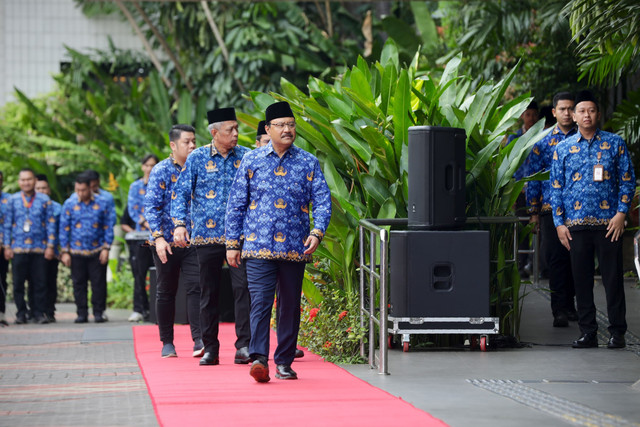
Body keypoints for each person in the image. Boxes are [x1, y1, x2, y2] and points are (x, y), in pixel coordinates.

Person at [226, 101, 331, 382]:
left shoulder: (308, 161)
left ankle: (284, 361)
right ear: (268, 129)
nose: (287, 129)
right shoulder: (251, 160)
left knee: (289, 305)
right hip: (258, 246)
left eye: (291, 124)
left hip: (295, 247)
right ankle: (259, 358)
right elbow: (236, 204)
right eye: (281, 125)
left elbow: (322, 200)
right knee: (260, 301)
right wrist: (232, 244)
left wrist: (317, 231)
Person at [550, 90, 635, 349]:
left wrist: (621, 214)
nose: (587, 115)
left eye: (592, 110)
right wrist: (559, 224)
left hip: (608, 225)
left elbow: (628, 181)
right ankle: (588, 332)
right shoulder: (562, 149)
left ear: (598, 114)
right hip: (575, 226)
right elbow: (555, 187)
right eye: (582, 111)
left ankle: (617, 332)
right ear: (574, 116)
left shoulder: (615, 143)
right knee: (581, 281)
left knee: (612, 279)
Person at [172, 108, 251, 366]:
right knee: (209, 292)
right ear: (215, 133)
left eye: (237, 128)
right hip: (206, 237)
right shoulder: (197, 158)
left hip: (239, 238)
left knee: (243, 290)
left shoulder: (248, 157)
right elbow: (181, 192)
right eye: (231, 130)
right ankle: (210, 348)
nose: (236, 134)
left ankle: (244, 346)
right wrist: (180, 224)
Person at [144, 124, 202, 358]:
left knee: (196, 288)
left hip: (193, 242)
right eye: (187, 142)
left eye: (194, 141)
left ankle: (199, 340)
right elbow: (151, 207)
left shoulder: (200, 167)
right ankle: (167, 342)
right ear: (173, 145)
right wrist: (158, 239)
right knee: (166, 291)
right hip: (165, 242)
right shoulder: (161, 170)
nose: (192, 146)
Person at [526, 92, 578, 328]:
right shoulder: (543, 141)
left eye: (570, 109)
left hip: (580, 210)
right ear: (554, 112)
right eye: (562, 109)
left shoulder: (585, 138)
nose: (567, 113)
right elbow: (533, 178)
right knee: (555, 259)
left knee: (577, 258)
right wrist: (534, 211)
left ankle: (571, 305)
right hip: (550, 209)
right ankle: (559, 309)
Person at [3, 168, 56, 324]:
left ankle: (39, 313)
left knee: (39, 283)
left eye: (29, 179)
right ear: (19, 182)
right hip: (18, 248)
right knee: (18, 283)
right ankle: (21, 313)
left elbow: (51, 224)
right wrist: (7, 246)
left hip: (39, 248)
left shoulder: (44, 200)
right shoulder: (12, 201)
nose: (26, 182)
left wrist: (50, 246)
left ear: (35, 181)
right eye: (23, 180)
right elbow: (7, 225)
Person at [59, 172, 113, 323]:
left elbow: (108, 227)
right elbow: (64, 229)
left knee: (98, 283)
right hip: (76, 252)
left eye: (83, 190)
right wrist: (64, 251)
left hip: (97, 251)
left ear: (90, 188)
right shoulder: (69, 204)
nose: (80, 193)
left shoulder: (102, 203)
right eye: (77, 190)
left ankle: (98, 312)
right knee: (78, 284)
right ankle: (81, 313)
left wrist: (106, 248)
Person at [126, 154, 158, 322]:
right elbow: (132, 210)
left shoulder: (162, 183)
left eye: (153, 165)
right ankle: (139, 308)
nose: (150, 168)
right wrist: (146, 222)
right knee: (139, 273)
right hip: (142, 237)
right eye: (147, 165)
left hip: (159, 238)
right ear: (142, 167)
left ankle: (157, 309)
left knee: (160, 274)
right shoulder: (135, 187)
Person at [35, 174, 61, 323]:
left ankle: (50, 311)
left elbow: (62, 230)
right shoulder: (28, 205)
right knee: (37, 282)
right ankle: (36, 311)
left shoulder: (57, 207)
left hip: (53, 252)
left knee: (50, 281)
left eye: (44, 188)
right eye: (38, 188)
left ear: (49, 190)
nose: (41, 191)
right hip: (35, 251)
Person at [0, 171, 10, 326]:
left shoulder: (9, 200)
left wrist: (5, 243)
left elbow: (10, 224)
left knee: (1, 280)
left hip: (2, 247)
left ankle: (1, 313)